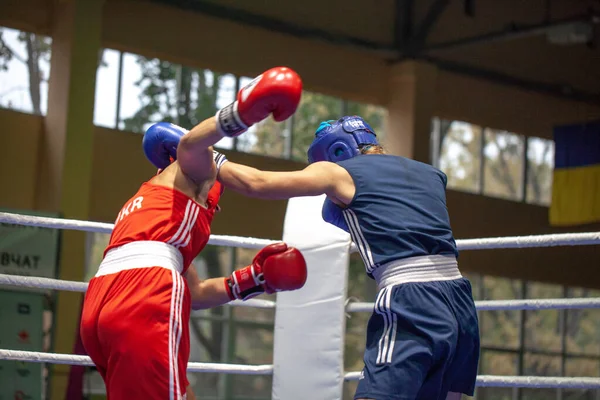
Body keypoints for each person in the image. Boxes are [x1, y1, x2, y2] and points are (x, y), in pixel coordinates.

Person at [149, 115, 480, 400]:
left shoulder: (339, 171)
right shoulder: (430, 175)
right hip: (460, 305)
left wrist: (207, 158)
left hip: (411, 299)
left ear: (336, 153)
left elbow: (258, 183)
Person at [79, 66, 308, 400]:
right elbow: (191, 146)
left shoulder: (152, 214)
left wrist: (253, 278)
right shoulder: (188, 173)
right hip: (143, 294)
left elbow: (196, 294)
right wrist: (241, 114)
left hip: (100, 303)